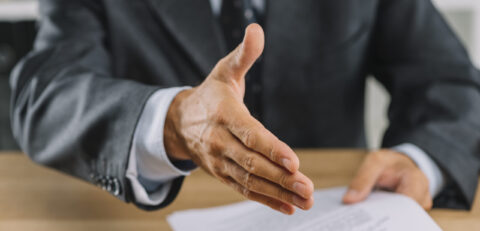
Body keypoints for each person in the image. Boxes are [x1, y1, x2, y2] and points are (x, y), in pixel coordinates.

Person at [10, 0, 480, 214]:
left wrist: (423, 159)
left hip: (338, 207)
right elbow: (44, 95)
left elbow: (452, 82)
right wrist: (172, 122)